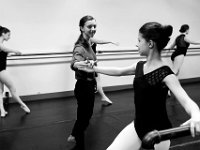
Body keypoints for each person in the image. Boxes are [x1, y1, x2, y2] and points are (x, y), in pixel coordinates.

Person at [77, 22, 200, 150]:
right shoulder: (139, 65)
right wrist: (94, 69)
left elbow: (186, 101)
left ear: (150, 43)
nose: (137, 44)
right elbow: (119, 71)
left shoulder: (166, 74)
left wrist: (196, 115)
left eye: (139, 40)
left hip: (159, 134)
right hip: (138, 127)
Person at [67, 15, 98, 150]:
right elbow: (74, 63)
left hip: (90, 85)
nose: (92, 29)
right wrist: (81, 63)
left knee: (87, 116)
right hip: (83, 86)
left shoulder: (89, 42)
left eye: (94, 26)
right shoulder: (79, 47)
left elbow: (96, 41)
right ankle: (77, 142)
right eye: (89, 26)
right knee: (83, 118)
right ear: (81, 28)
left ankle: (75, 135)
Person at [0, 26, 30, 118]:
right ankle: (22, 104)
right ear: (3, 34)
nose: (9, 37)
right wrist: (16, 51)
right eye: (8, 35)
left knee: (0, 91)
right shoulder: (0, 45)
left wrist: (12, 53)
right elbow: (4, 49)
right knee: (13, 89)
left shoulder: (2, 45)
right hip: (1, 71)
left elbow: (4, 52)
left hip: (0, 70)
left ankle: (2, 111)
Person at [90, 37, 119, 105]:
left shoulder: (86, 39)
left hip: (92, 62)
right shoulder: (88, 38)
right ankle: (103, 96)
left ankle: (103, 96)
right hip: (90, 63)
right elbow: (100, 41)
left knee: (97, 80)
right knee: (96, 80)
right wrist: (110, 41)